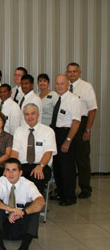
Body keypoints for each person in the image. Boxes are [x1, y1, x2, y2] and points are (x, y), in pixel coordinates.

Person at [0, 158, 45, 250]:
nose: (10, 173)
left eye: (14, 170)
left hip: (21, 228)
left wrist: (23, 212)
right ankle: (0, 249)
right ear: (4, 172)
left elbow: (41, 202)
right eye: (7, 170)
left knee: (33, 207)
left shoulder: (28, 184)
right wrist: (10, 209)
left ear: (20, 172)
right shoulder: (0, 182)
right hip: (2, 227)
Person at [66, 62, 98, 199]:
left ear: (79, 72)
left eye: (74, 71)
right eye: (69, 71)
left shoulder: (86, 87)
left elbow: (92, 110)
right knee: (69, 159)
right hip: (68, 124)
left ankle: (85, 188)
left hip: (82, 123)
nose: (72, 74)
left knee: (82, 159)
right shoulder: (64, 86)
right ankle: (69, 188)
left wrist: (87, 129)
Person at [11, 103, 57, 194]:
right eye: (27, 114)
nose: (30, 117)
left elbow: (48, 153)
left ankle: (34, 205)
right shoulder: (19, 131)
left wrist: (40, 166)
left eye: (33, 113)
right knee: (11, 175)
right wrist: (13, 167)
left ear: (38, 115)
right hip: (23, 165)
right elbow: (14, 152)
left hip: (41, 165)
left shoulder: (48, 131)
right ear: (24, 116)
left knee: (37, 177)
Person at [51, 75, 81, 206]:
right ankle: (61, 193)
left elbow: (76, 122)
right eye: (57, 84)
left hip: (66, 134)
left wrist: (68, 140)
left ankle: (69, 196)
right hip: (56, 133)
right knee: (58, 166)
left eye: (62, 84)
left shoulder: (73, 100)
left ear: (68, 84)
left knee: (67, 168)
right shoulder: (60, 98)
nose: (59, 86)